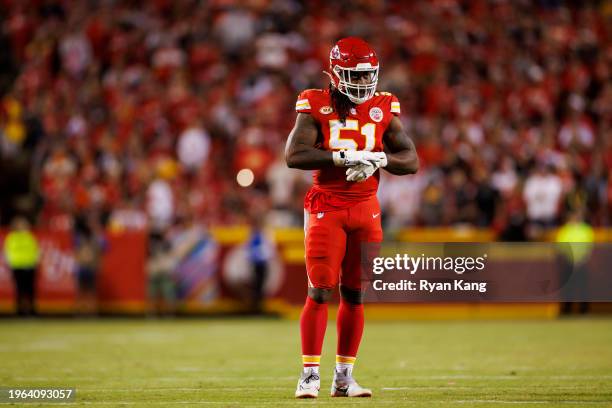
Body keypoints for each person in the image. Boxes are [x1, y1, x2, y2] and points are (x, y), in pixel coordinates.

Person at [285, 37, 418, 398]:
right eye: (353, 77)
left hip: (366, 207)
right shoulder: (315, 102)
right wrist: (343, 158)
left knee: (356, 294)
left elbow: (411, 159)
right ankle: (309, 375)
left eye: (367, 76)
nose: (362, 84)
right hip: (327, 205)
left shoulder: (384, 105)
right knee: (320, 289)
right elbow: (294, 155)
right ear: (335, 74)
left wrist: (380, 159)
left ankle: (344, 378)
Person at [3, 216, 40, 316]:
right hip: (17, 266)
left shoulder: (29, 236)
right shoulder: (12, 237)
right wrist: (10, 263)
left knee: (30, 290)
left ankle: (32, 310)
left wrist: (35, 262)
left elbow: (36, 250)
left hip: (29, 266)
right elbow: (7, 252)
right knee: (20, 289)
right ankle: (19, 311)